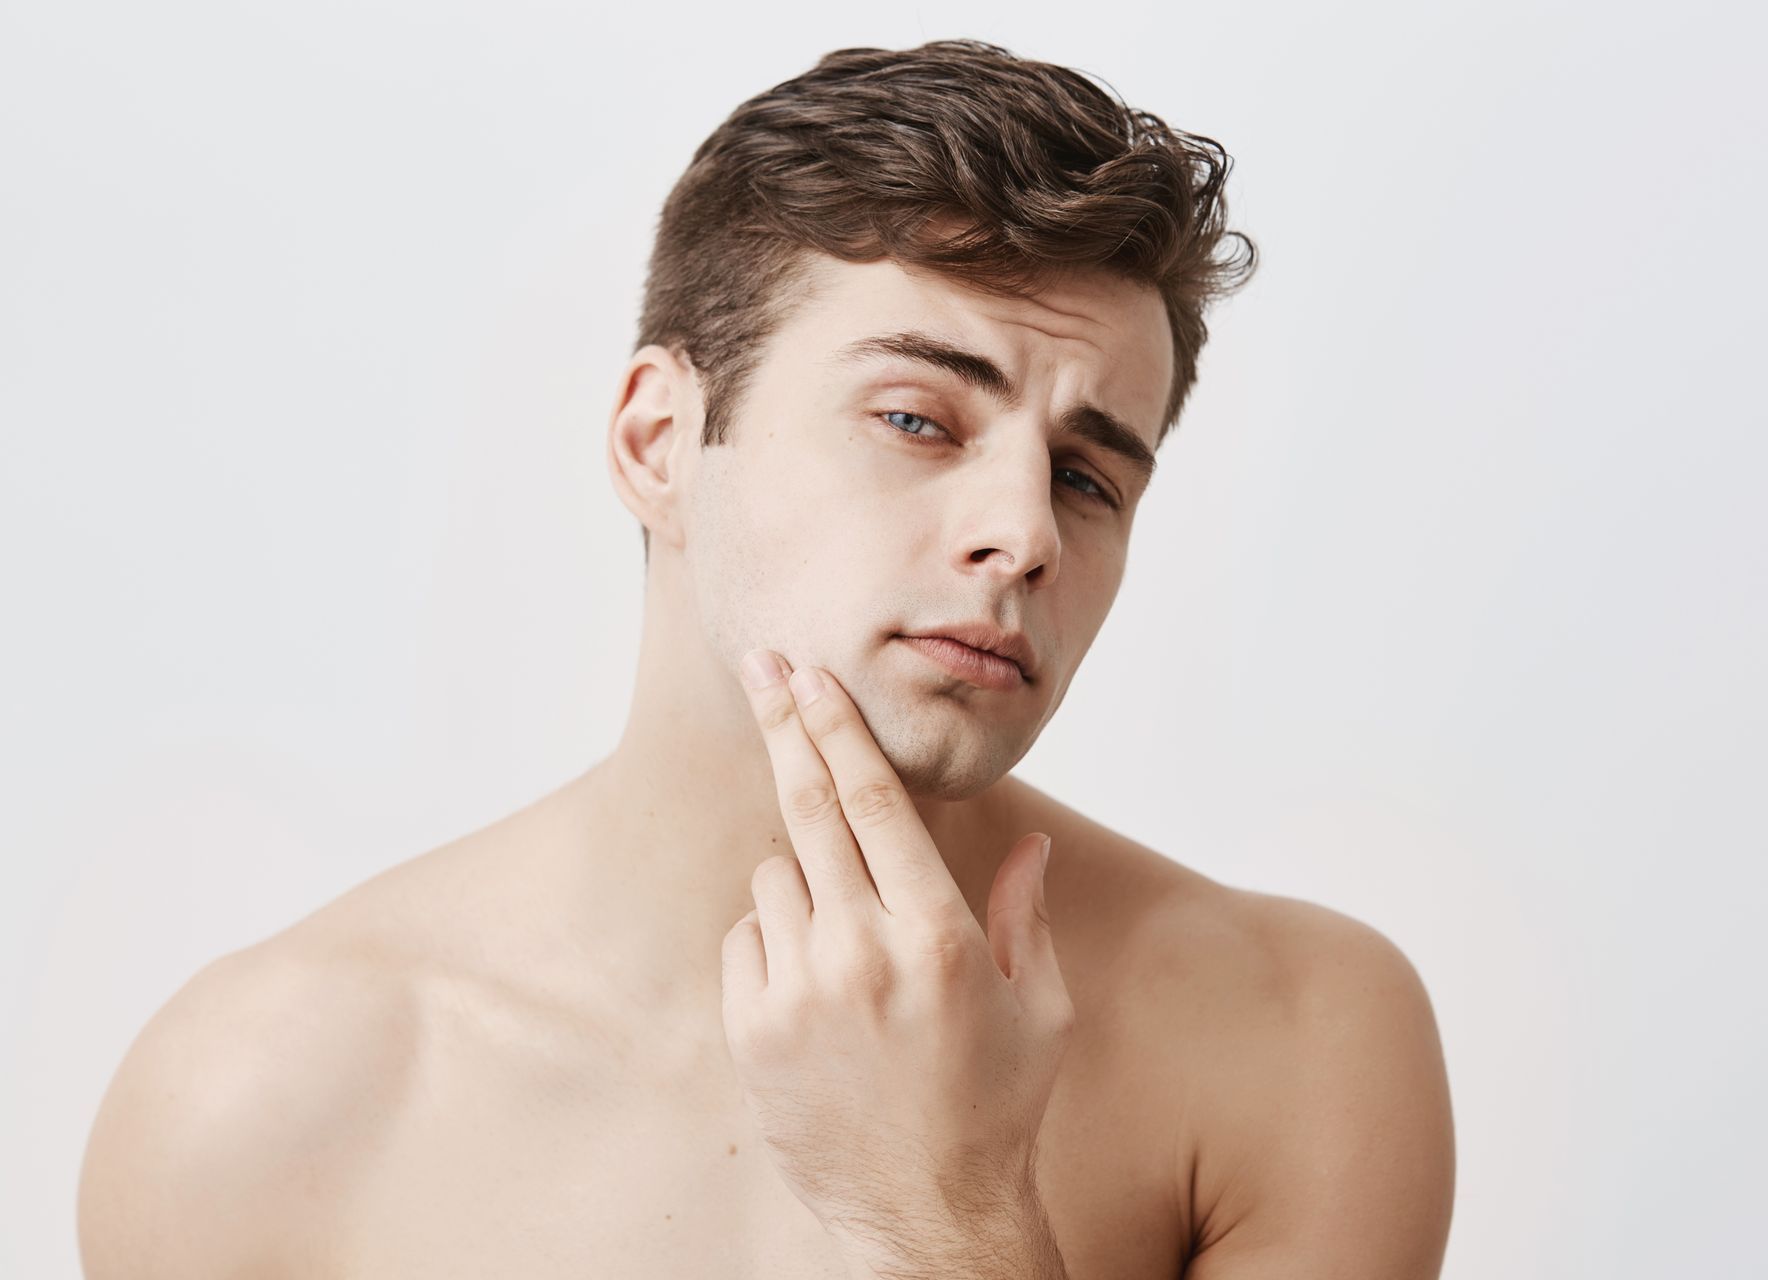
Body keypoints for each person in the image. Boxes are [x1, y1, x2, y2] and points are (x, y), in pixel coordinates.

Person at [77, 39, 1454, 1278]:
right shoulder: (258, 1107)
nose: (1025, 533)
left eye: (1091, 479)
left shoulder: (1294, 1040)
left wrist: (952, 1216)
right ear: (658, 441)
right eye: (918, 419)